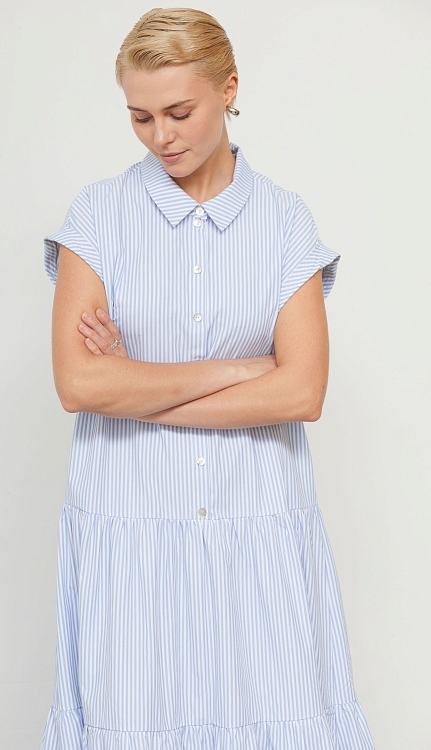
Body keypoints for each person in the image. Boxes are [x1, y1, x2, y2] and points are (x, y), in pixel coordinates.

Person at [40, 7, 375, 750]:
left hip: (259, 527)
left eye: (179, 112)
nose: (161, 136)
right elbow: (80, 386)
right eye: (140, 117)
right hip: (130, 530)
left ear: (228, 89)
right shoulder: (97, 217)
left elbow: (301, 393)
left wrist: (136, 385)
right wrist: (242, 369)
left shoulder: (284, 222)